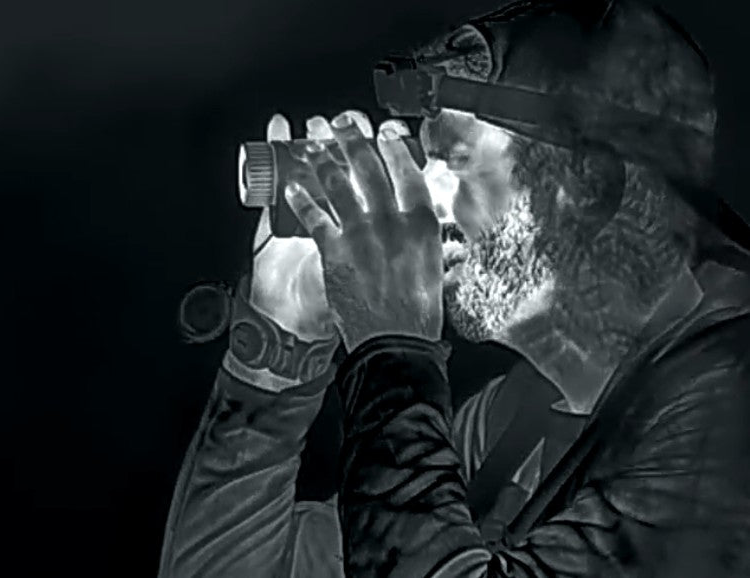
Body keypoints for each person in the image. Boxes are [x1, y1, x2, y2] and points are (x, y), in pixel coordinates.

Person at [159, 0, 750, 575]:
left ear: (588, 184)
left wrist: (391, 350)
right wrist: (280, 356)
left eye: (457, 162)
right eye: (425, 160)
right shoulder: (513, 420)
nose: (427, 199)